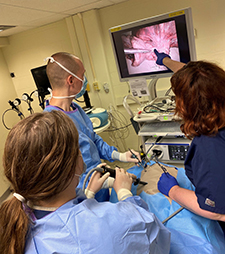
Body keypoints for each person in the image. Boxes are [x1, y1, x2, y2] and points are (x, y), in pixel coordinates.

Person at [0, 110, 170, 254]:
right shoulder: (113, 224)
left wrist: (87, 196)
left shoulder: (14, 222)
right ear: (76, 164)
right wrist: (125, 194)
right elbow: (155, 238)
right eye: (79, 149)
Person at [44, 52, 141, 201]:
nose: (84, 80)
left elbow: (93, 140)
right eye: (82, 75)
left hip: (99, 185)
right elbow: (65, 176)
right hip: (84, 195)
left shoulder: (75, 108)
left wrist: (120, 156)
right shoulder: (51, 123)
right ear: (71, 80)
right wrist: (104, 183)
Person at [154, 49, 225, 233]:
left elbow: (216, 210)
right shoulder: (216, 97)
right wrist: (166, 61)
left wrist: (173, 191)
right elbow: (199, 80)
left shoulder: (211, 144)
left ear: (190, 104)